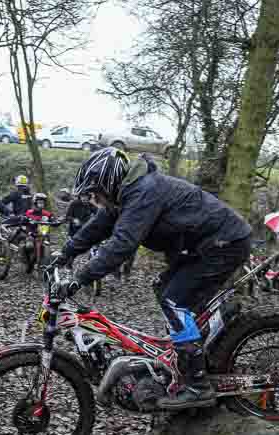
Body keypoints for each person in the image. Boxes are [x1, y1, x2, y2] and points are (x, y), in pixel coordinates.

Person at [56, 148, 252, 409]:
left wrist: (79, 278)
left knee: (174, 301)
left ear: (109, 183)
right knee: (164, 289)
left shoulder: (143, 192)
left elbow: (122, 245)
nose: (96, 201)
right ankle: (191, 357)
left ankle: (198, 385)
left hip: (223, 243)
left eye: (96, 194)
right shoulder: (125, 194)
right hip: (202, 245)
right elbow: (97, 226)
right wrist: (65, 253)